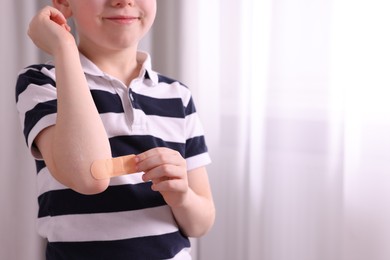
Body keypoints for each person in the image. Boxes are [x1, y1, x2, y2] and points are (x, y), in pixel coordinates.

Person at [15, 0, 215, 259]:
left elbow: (201, 224)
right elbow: (89, 176)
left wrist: (182, 196)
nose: (124, 1)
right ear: (64, 3)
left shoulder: (178, 96)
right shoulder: (44, 82)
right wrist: (64, 48)